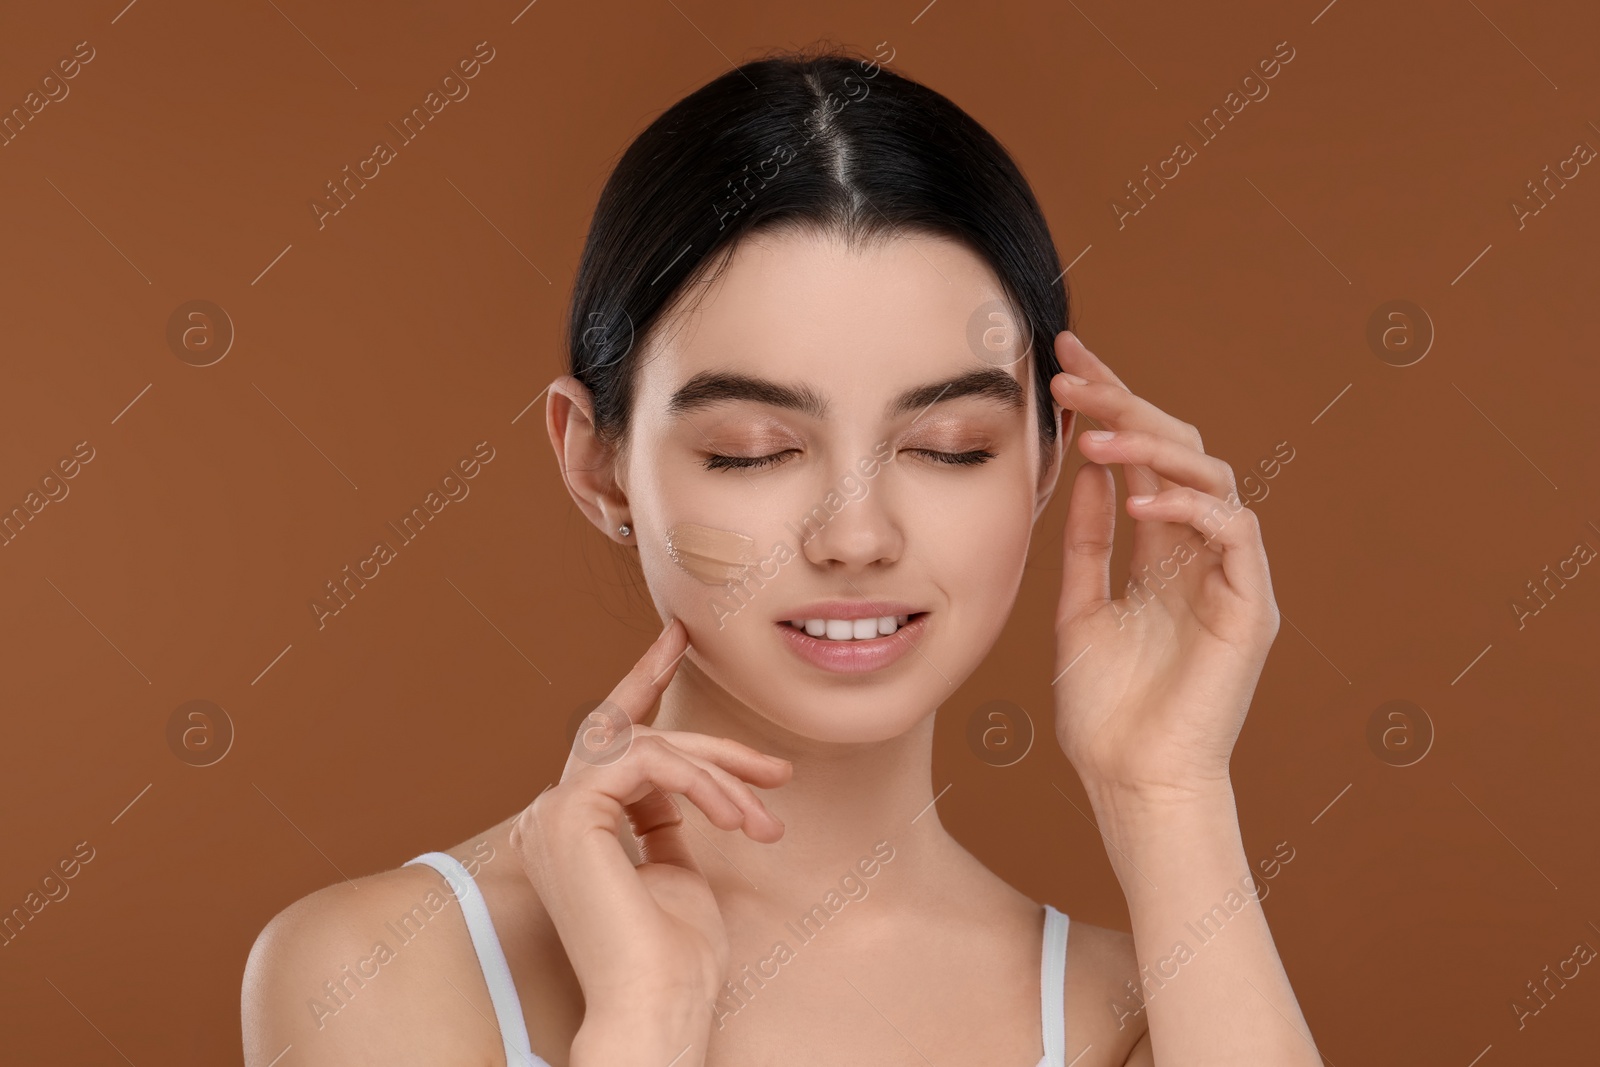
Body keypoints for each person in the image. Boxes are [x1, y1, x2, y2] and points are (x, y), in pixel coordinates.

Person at [242, 43, 1319, 1066]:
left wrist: (1165, 791)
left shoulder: (1141, 1011)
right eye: (752, 451)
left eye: (951, 447)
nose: (856, 535)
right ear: (595, 462)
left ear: (1043, 462)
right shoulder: (378, 971)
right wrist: (646, 1022)